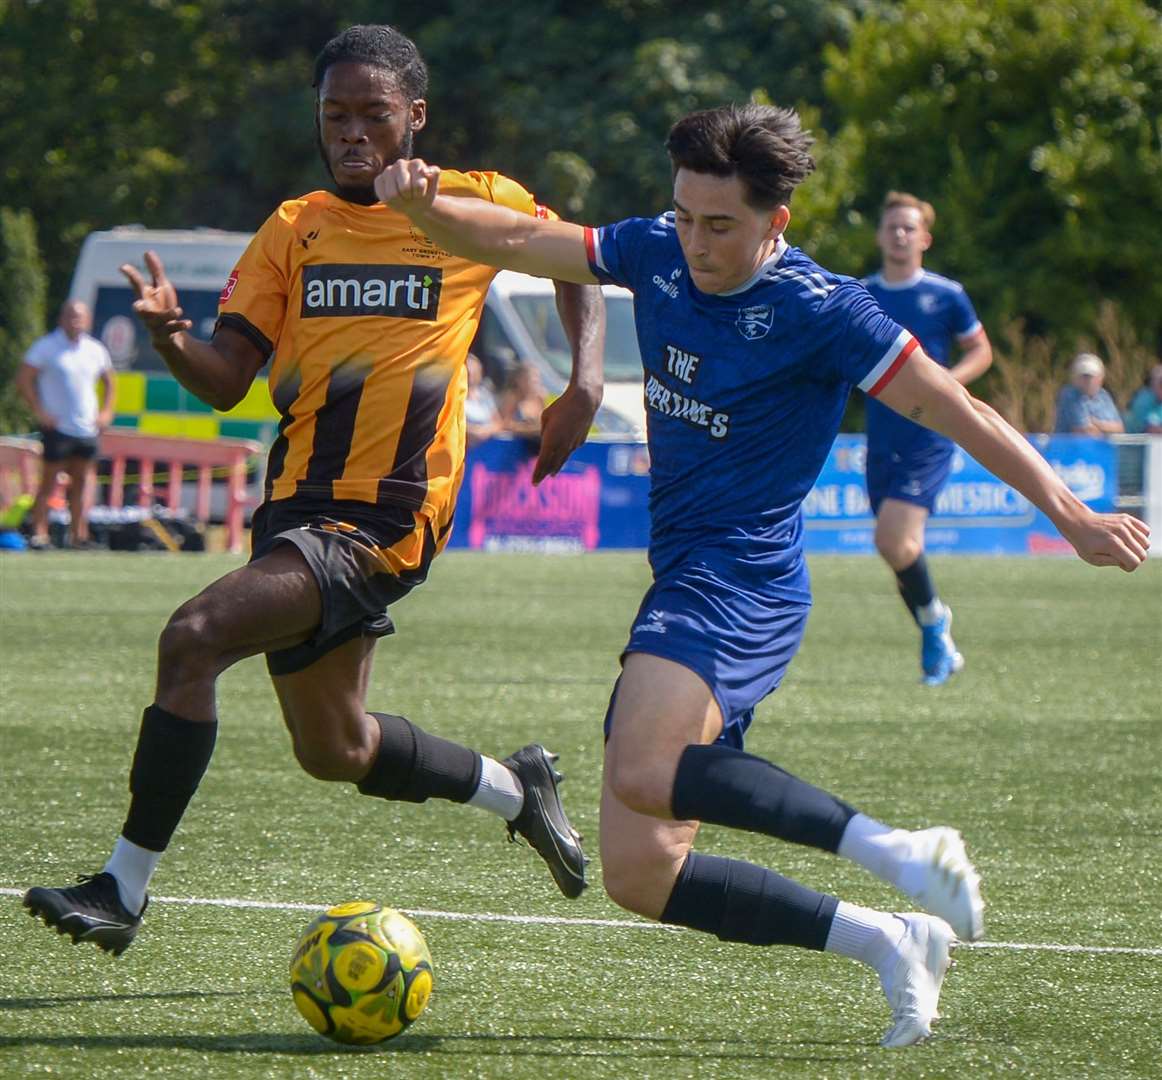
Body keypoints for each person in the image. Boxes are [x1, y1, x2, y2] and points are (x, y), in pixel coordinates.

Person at [375, 104, 1151, 1047]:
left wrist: (1071, 516)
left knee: (646, 768)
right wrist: (428, 211)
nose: (694, 242)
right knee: (638, 871)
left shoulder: (823, 312)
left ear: (774, 222)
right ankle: (890, 940)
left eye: (721, 225)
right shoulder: (657, 248)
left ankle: (903, 853)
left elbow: (957, 409)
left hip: (745, 581)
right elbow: (532, 240)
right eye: (685, 216)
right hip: (686, 575)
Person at [23, 24, 606, 957]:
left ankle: (123, 888)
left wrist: (582, 383)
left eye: (373, 114)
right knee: (336, 749)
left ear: (414, 116)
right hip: (295, 510)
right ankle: (518, 786)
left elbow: (577, 257)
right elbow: (225, 380)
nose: (351, 133)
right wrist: (174, 333)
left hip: (386, 514)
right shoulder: (293, 228)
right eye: (334, 116)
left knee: (193, 638)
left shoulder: (471, 204)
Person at [861, 193, 993, 686]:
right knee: (899, 550)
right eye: (892, 226)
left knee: (893, 539)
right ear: (879, 235)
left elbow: (981, 350)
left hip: (930, 435)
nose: (899, 235)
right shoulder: (860, 294)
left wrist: (949, 385)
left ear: (925, 238)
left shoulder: (946, 294)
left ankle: (936, 623)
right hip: (881, 437)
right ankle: (936, 632)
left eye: (908, 228)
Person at [16, 300, 116, 549]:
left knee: (82, 483)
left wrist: (105, 412)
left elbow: (110, 382)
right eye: (71, 316)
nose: (75, 321)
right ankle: (40, 533)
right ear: (61, 319)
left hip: (86, 428)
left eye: (80, 317)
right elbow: (24, 379)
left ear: (88, 320)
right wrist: (40, 411)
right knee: (49, 482)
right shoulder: (47, 347)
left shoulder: (95, 349)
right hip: (57, 427)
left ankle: (78, 536)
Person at [1054, 353, 1125, 435]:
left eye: (1091, 377)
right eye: (1083, 377)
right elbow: (1084, 431)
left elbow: (1120, 428)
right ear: (1075, 378)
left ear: (1100, 378)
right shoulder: (1070, 395)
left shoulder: (1104, 396)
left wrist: (1097, 423)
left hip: (1102, 447)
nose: (1087, 381)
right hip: (1073, 447)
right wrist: (1107, 429)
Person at [497, 360, 547, 441]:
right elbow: (504, 424)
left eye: (537, 378)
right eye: (531, 379)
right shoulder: (512, 397)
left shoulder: (539, 398)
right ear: (519, 381)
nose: (535, 382)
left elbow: (544, 421)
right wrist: (528, 429)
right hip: (517, 442)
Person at [464, 351, 501, 446]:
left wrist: (485, 431)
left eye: (474, 372)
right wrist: (473, 431)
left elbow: (498, 422)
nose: (471, 376)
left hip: (487, 446)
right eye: (468, 372)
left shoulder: (485, 394)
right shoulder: (455, 398)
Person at [1123, 363, 1162, 434]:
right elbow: (1152, 430)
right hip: (1136, 442)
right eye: (1160, 384)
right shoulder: (1143, 400)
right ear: (1153, 385)